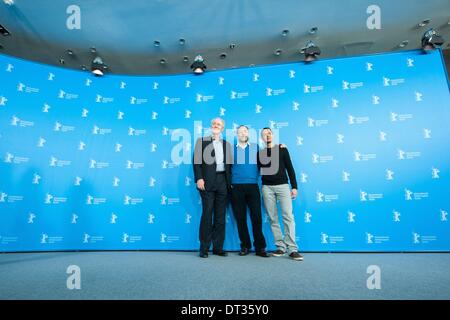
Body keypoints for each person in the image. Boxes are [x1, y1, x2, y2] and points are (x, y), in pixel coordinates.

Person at [258, 127, 303, 261]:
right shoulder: (260, 153)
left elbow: (290, 168)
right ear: (262, 138)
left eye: (269, 133)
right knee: (273, 218)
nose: (267, 135)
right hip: (267, 188)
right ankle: (280, 247)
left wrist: (294, 186)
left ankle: (292, 249)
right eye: (264, 134)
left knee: (288, 217)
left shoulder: (282, 149)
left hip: (283, 186)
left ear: (273, 135)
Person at [193, 117, 232, 258]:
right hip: (207, 182)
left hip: (223, 181)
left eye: (219, 124)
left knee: (220, 216)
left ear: (222, 128)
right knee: (207, 214)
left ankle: (218, 248)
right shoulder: (202, 142)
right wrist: (199, 178)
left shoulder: (227, 144)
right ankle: (204, 248)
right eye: (214, 124)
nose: (216, 125)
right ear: (211, 126)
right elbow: (196, 162)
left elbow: (230, 165)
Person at [230, 125, 270, 257]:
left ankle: (260, 247)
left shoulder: (256, 148)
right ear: (237, 134)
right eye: (240, 131)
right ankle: (245, 246)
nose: (243, 133)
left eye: (245, 131)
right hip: (236, 187)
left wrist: (280, 147)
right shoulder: (231, 150)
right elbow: (226, 169)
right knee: (240, 218)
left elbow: (267, 159)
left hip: (253, 186)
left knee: (256, 217)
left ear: (248, 134)